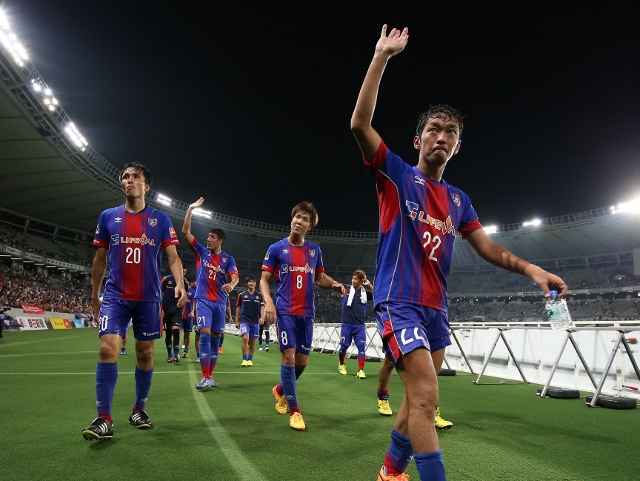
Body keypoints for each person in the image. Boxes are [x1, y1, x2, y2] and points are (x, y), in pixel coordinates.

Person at [350, 25, 569, 481]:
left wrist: (532, 270)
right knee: (427, 398)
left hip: (436, 310)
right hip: (398, 302)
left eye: (450, 132)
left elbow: (486, 246)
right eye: (433, 129)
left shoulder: (459, 200)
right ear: (418, 140)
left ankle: (390, 471)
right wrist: (381, 57)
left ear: (458, 145)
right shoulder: (395, 175)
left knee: (418, 400)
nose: (441, 136)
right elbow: (359, 125)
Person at [82, 162, 186, 441]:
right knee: (107, 349)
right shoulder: (108, 217)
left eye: (135, 176)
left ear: (146, 186)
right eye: (125, 176)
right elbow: (99, 259)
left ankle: (138, 410)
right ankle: (104, 419)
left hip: (148, 298)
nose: (129, 180)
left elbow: (173, 257)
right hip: (115, 296)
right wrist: (94, 296)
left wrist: (179, 283)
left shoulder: (160, 219)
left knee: (145, 354)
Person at [260, 201, 344, 431]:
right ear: (292, 219)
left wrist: (334, 285)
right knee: (288, 357)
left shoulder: (314, 251)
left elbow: (320, 278)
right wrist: (269, 302)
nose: (299, 221)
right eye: (297, 216)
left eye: (305, 219)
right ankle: (295, 411)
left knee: (302, 362)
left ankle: (279, 390)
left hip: (306, 313)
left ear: (310, 226)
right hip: (285, 311)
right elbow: (264, 280)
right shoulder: (276, 248)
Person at [182, 197, 239, 390]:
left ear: (219, 241)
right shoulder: (201, 252)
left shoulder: (228, 259)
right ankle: (205, 377)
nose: (208, 239)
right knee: (205, 336)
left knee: (215, 339)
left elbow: (235, 276)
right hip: (204, 300)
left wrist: (232, 284)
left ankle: (210, 376)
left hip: (220, 303)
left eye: (212, 237)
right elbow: (185, 232)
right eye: (208, 236)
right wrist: (190, 209)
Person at [337, 270, 373, 379]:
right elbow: (335, 286)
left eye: (356, 279)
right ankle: (341, 364)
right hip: (347, 324)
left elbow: (377, 294)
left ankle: (360, 370)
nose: (353, 281)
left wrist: (369, 284)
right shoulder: (346, 289)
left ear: (361, 281)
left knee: (361, 348)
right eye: (353, 278)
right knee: (343, 347)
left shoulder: (365, 293)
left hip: (359, 326)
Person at [235, 275, 265, 366]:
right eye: (249, 282)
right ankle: (244, 359)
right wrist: (237, 320)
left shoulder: (259, 296)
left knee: (253, 341)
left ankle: (250, 359)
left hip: (255, 321)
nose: (251, 283)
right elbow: (238, 307)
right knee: (245, 338)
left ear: (255, 283)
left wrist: (262, 317)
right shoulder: (242, 295)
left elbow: (262, 306)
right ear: (247, 284)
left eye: (253, 282)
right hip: (244, 320)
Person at [162, 268, 189, 363]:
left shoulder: (184, 283)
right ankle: (169, 354)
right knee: (168, 332)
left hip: (177, 310)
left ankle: (175, 354)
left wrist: (182, 310)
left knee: (176, 330)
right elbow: (161, 293)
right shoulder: (166, 279)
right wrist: (160, 308)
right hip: (166, 310)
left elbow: (185, 297)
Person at [181, 280, 196, 358]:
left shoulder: (192, 292)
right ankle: (176, 352)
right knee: (177, 332)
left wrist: (193, 311)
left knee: (187, 334)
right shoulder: (179, 290)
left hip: (188, 316)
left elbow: (194, 303)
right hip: (179, 316)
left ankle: (186, 351)